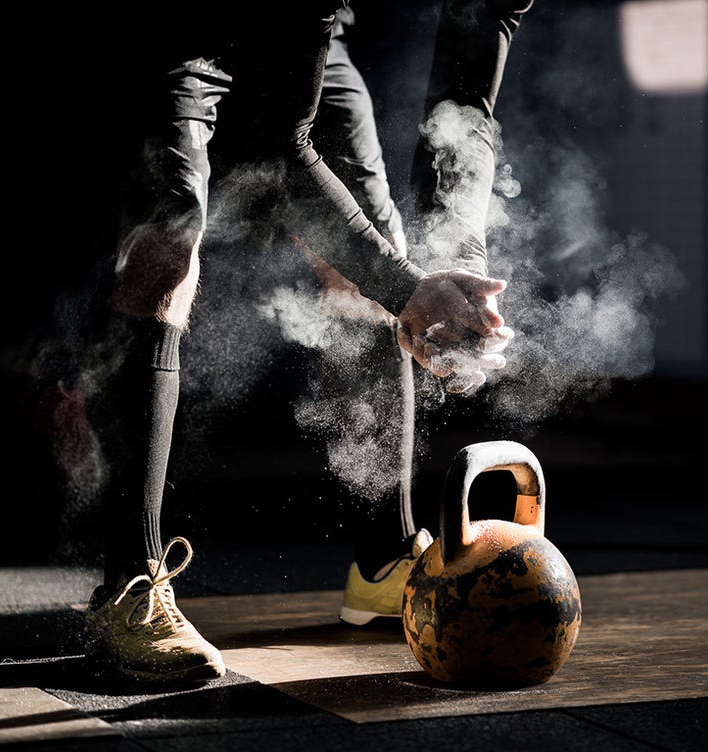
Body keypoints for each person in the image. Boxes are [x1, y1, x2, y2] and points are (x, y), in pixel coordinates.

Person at [79, 0, 532, 683]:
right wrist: (408, 286)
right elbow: (278, 150)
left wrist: (456, 252)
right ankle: (129, 585)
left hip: (299, 32)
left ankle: (384, 559)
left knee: (379, 238)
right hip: (171, 28)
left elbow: (466, 106)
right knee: (169, 236)